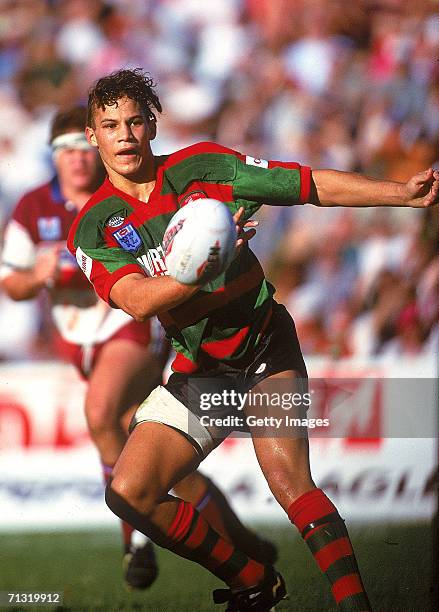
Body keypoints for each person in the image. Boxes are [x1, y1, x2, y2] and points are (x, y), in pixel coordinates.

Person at [68, 69, 439, 611]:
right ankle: (252, 580)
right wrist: (204, 263)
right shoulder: (96, 225)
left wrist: (401, 196)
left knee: (292, 486)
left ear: (152, 125)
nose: (124, 135)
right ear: (92, 134)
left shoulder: (204, 167)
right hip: (201, 372)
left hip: (266, 348)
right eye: (109, 125)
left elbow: (307, 184)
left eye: (133, 122)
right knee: (129, 493)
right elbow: (138, 301)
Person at [0, 104, 277, 593]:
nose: (77, 160)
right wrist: (34, 275)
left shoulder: (118, 205)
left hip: (129, 329)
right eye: (64, 151)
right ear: (53, 156)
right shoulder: (32, 209)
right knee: (155, 460)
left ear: (98, 150)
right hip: (78, 343)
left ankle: (137, 543)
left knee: (100, 412)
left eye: (82, 150)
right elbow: (11, 283)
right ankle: (246, 543)